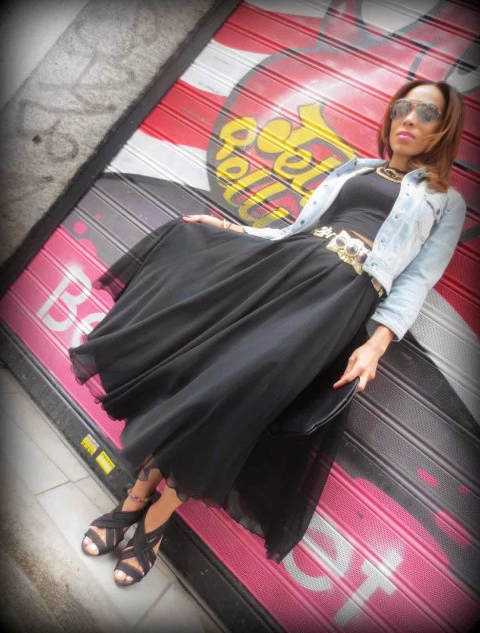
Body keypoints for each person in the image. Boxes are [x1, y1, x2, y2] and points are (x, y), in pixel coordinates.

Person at [70, 79, 465, 587]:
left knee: (234, 401)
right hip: (282, 272)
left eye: (426, 113)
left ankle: (155, 519)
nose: (408, 118)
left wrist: (377, 342)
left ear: (443, 129)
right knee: (200, 380)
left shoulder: (443, 201)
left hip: (334, 303)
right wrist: (234, 230)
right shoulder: (354, 169)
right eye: (402, 107)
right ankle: (134, 500)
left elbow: (417, 279)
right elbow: (296, 230)